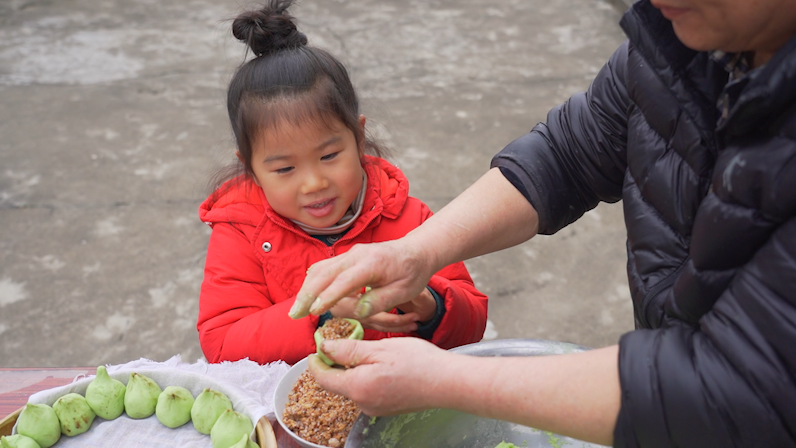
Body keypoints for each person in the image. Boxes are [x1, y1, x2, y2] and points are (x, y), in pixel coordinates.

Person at [289, 0, 796, 446]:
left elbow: (740, 388)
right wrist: (415, 252)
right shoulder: (693, 42)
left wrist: (447, 380)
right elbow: (571, 153)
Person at [196, 0, 488, 366]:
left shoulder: (409, 219)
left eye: (329, 156)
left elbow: (473, 322)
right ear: (251, 170)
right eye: (285, 169)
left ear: (359, 138)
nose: (314, 183)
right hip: (301, 410)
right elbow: (222, 344)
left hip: (404, 401)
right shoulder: (242, 233)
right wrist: (322, 313)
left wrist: (431, 303)